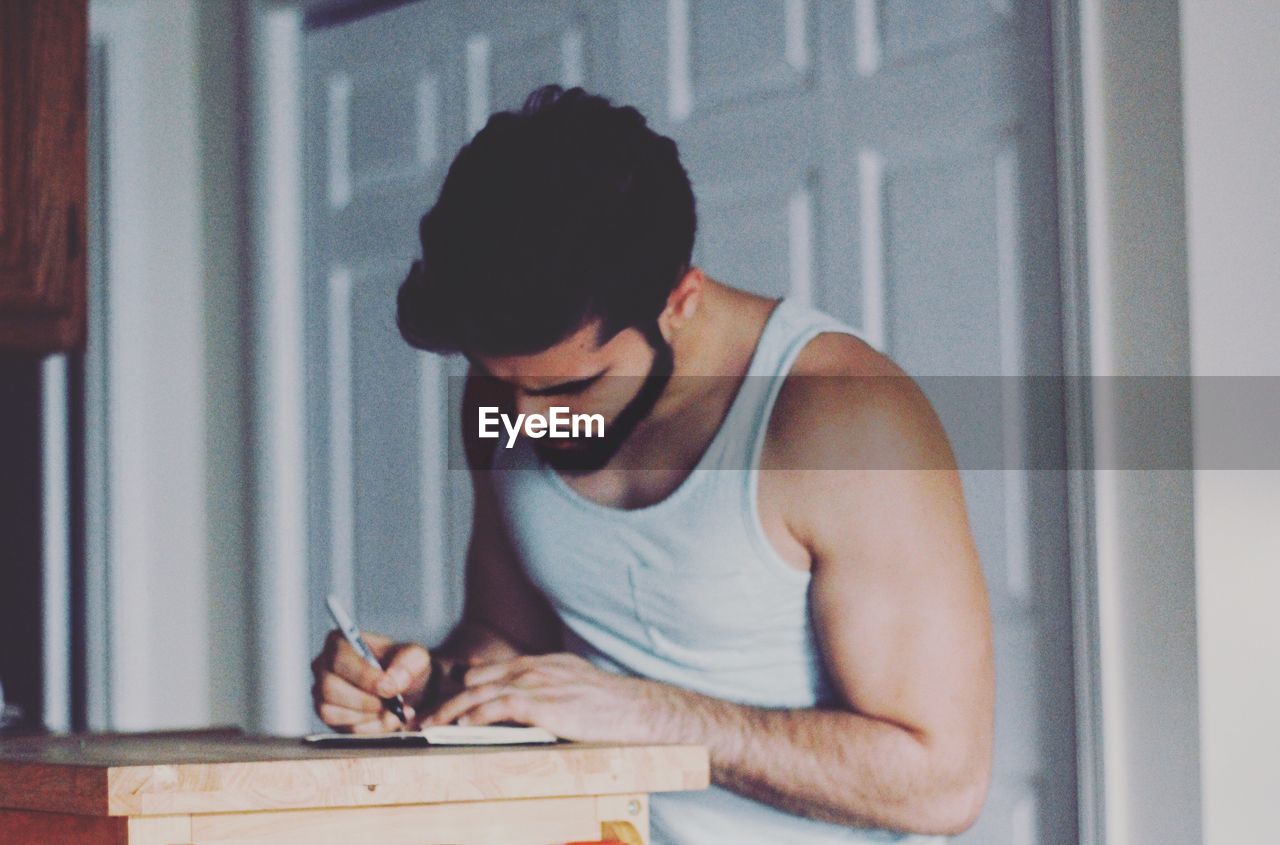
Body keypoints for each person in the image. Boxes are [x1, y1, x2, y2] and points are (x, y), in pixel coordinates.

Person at [310, 85, 993, 844]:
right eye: (504, 385)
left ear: (680, 299)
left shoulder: (841, 417)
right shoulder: (509, 387)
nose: (530, 420)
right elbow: (509, 634)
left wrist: (650, 713)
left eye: (571, 387)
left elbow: (942, 783)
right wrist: (422, 681)